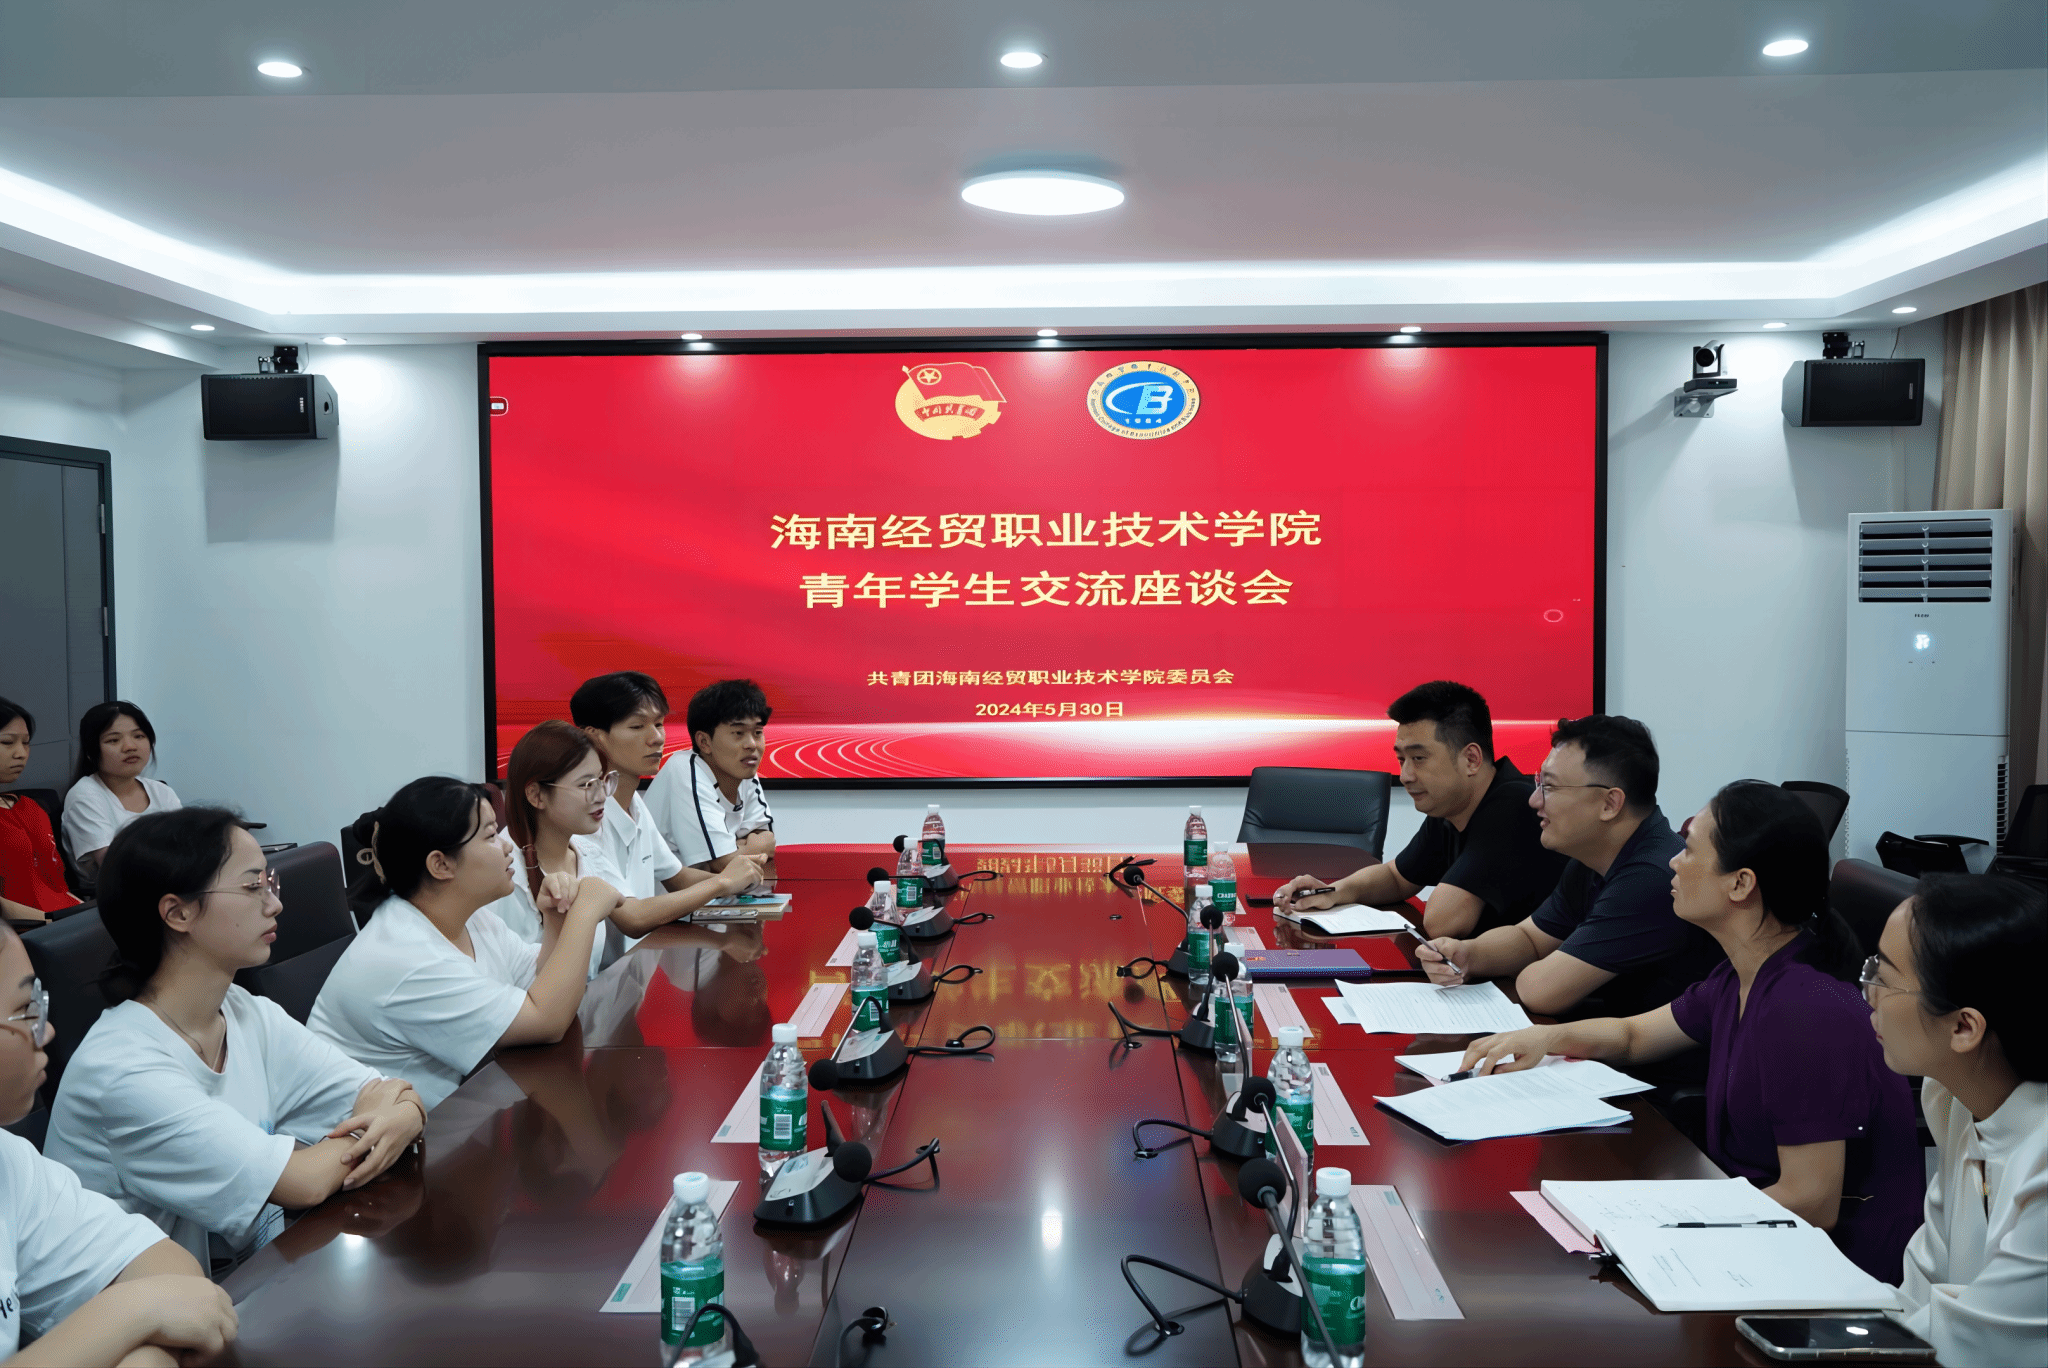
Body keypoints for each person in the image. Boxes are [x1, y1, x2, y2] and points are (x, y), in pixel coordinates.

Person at [1459, 781, 1921, 1283]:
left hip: (1831, 1272)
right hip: (1753, 1232)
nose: (1674, 862)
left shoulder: (1803, 1010)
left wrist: (1665, 1230)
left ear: (1740, 884)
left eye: (1690, 848)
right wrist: (1545, 1039)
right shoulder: (1742, 974)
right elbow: (1633, 1036)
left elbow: (1812, 1201)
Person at [45, 808, 426, 1270]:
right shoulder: (122, 1071)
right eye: (252, 887)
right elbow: (303, 1182)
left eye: (270, 883)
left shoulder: (242, 1010)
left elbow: (390, 1094)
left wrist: (402, 1111)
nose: (274, 904)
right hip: (139, 1309)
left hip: (236, 1280)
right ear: (178, 912)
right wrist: (387, 1120)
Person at [0, 922, 239, 1367]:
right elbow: (301, 1181)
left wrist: (139, 1319)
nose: (45, 1031)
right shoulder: (118, 1065)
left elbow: (175, 1280)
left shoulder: (9, 1161)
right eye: (24, 1010)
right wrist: (132, 1312)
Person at [308, 775, 620, 1111]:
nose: (506, 845)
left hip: (446, 1114)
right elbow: (547, 1022)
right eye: (490, 835)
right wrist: (586, 911)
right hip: (360, 1137)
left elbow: (541, 983)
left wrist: (557, 918)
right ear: (441, 864)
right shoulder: (407, 956)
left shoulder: (469, 917)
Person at [1417, 714, 1720, 1018]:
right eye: (1538, 783)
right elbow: (1530, 939)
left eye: (1549, 787)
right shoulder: (1595, 856)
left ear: (1609, 804)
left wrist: (1524, 967)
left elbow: (1540, 992)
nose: (1534, 801)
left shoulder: (1650, 878)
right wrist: (1466, 955)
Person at [1865, 873, 2045, 1364]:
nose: (1868, 992)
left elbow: (1979, 1341)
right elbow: (1921, 1292)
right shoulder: (1952, 1099)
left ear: (1964, 1026)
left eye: (1883, 976)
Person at [1274, 680, 1565, 938]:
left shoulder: (1515, 805)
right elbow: (1397, 877)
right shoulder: (1454, 804)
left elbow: (1443, 922)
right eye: (1402, 760)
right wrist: (1331, 892)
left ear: (1471, 760)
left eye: (1419, 758)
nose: (1405, 776)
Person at [496, 722, 761, 978]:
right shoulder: (503, 869)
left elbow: (632, 910)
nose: (602, 795)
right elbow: (635, 919)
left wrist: (726, 884)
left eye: (601, 781)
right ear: (536, 795)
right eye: (586, 785)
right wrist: (722, 883)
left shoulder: (585, 851)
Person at [569, 674, 765, 952]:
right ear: (594, 736)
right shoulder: (583, 817)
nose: (657, 738)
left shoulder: (635, 804)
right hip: (604, 972)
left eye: (659, 724)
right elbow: (633, 918)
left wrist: (743, 884)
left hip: (636, 963)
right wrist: (723, 882)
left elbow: (678, 878)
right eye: (638, 726)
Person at [645, 679, 776, 878]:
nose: (752, 744)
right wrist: (748, 849)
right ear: (704, 742)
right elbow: (723, 865)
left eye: (758, 733)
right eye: (738, 733)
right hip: (662, 896)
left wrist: (741, 851)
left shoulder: (742, 767)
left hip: (712, 892)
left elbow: (767, 839)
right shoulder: (685, 770)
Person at [60, 701, 181, 884]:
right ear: (91, 752)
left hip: (171, 885)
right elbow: (116, 867)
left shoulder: (162, 791)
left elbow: (187, 846)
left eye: (139, 736)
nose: (130, 746)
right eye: (114, 740)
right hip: (118, 895)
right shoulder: (84, 795)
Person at [0, 698, 77, 920]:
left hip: (61, 918)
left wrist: (84, 914)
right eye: (7, 742)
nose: (21, 753)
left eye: (26, 743)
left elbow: (55, 885)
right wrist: (54, 923)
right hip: (26, 929)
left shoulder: (30, 807)